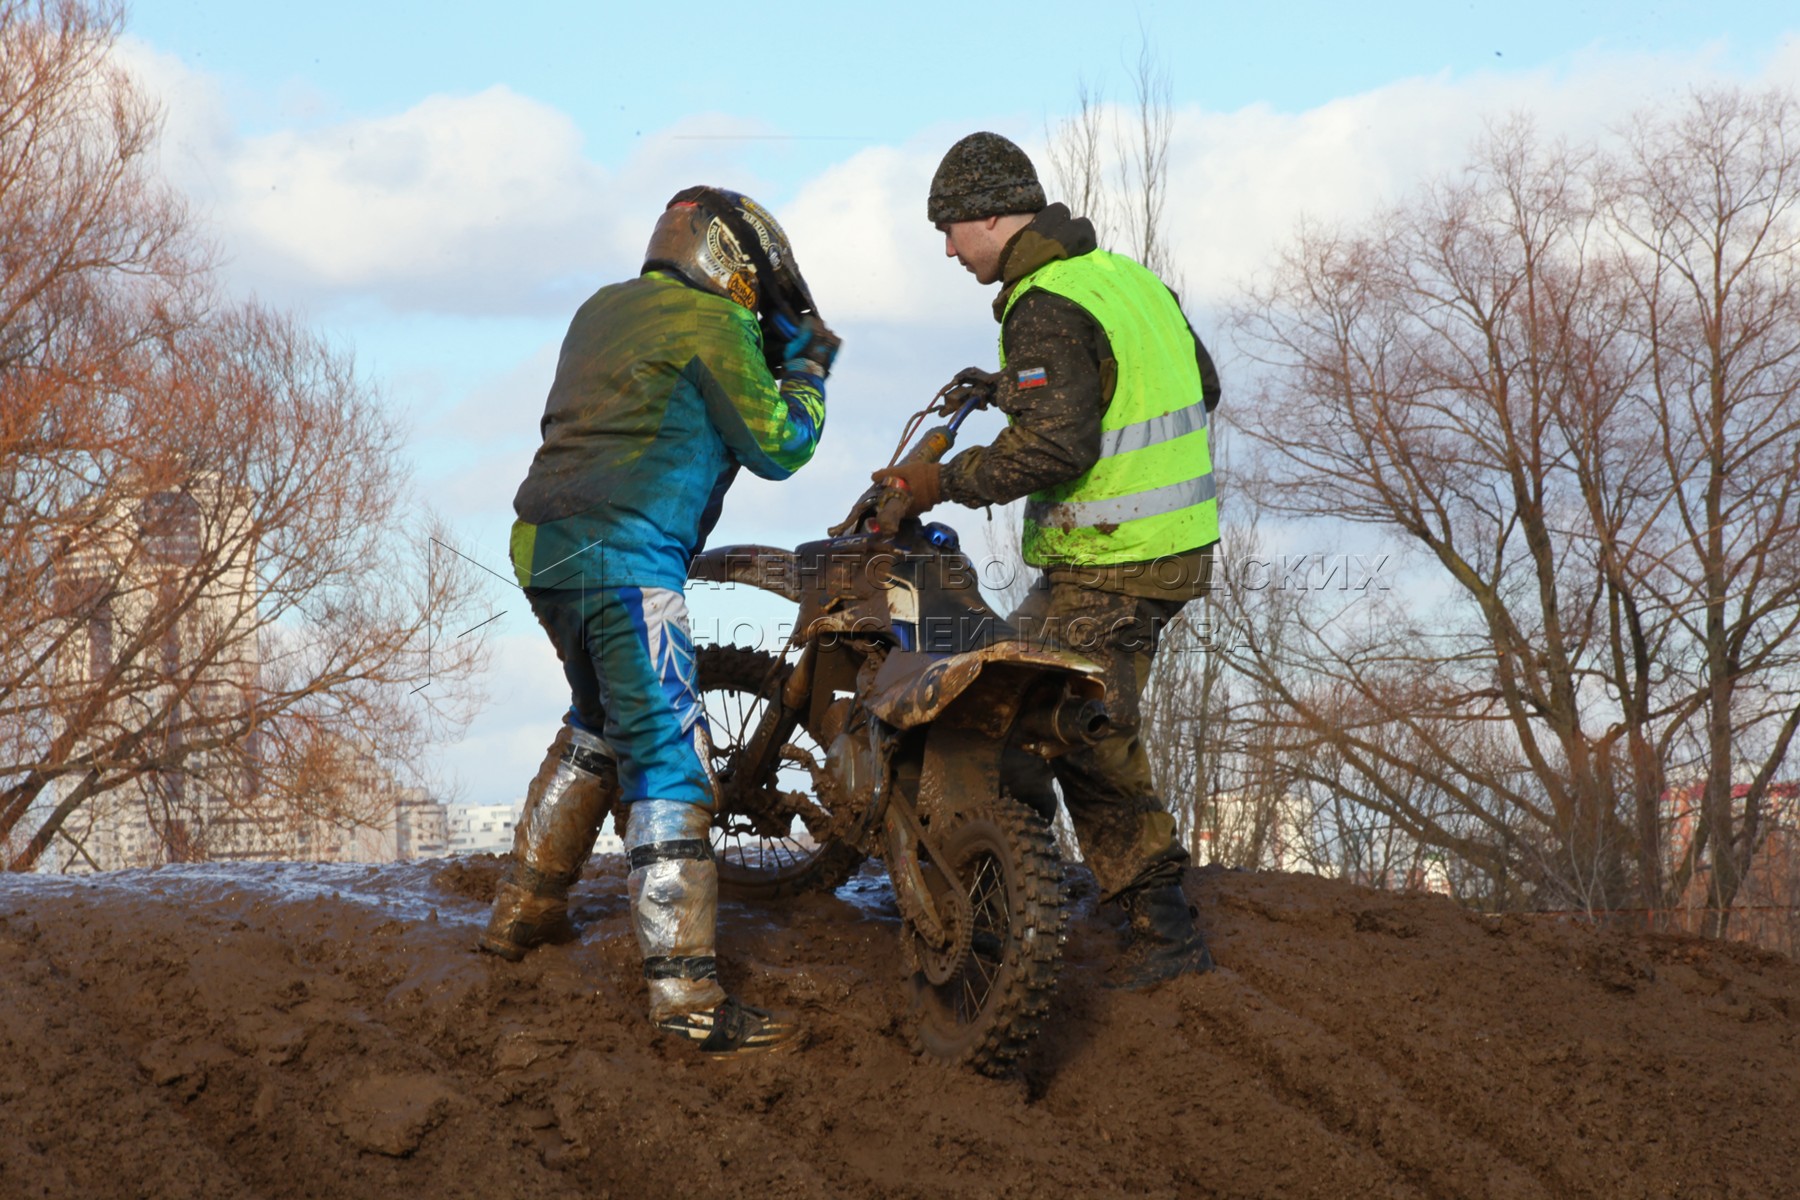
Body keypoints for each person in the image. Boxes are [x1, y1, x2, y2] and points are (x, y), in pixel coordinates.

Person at [481, 187, 839, 1055]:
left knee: (601, 722)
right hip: (625, 554)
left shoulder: (601, 309)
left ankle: (524, 911)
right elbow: (781, 444)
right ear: (728, 262)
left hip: (546, 547)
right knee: (672, 757)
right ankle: (687, 1001)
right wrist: (808, 372)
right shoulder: (708, 324)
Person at [873, 132, 1221, 989]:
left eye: (952, 228)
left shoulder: (1042, 304)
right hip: (1162, 547)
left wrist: (938, 482)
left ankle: (1154, 935)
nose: (948, 249)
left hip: (1115, 558)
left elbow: (1054, 450)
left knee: (1069, 728)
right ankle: (1019, 895)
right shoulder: (1126, 281)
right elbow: (1196, 383)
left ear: (994, 214)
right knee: (1017, 705)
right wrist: (1013, 388)